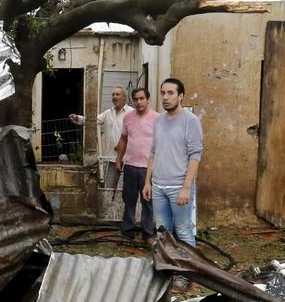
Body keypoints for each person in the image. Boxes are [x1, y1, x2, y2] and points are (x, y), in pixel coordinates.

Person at [144, 77, 202, 247]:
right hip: (158, 187)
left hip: (178, 187)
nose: (165, 97)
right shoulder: (159, 121)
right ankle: (169, 267)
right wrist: (148, 182)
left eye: (170, 93)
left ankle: (189, 271)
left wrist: (186, 187)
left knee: (183, 231)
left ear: (180, 96)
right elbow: (153, 152)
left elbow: (195, 155)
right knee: (162, 232)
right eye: (162, 93)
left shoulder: (191, 121)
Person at [114, 87, 158, 240]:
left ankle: (147, 232)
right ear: (132, 100)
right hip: (131, 166)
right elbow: (123, 139)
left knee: (148, 202)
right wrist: (119, 159)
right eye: (136, 99)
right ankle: (128, 231)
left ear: (148, 99)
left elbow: (162, 144)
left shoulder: (157, 119)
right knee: (129, 200)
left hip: (148, 168)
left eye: (142, 99)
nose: (139, 102)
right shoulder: (128, 117)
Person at [69, 86, 127, 194]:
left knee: (124, 190)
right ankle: (109, 211)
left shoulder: (131, 113)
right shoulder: (108, 113)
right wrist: (78, 119)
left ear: (124, 98)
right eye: (113, 94)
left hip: (127, 160)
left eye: (117, 94)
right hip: (110, 159)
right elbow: (92, 120)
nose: (114, 97)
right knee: (109, 190)